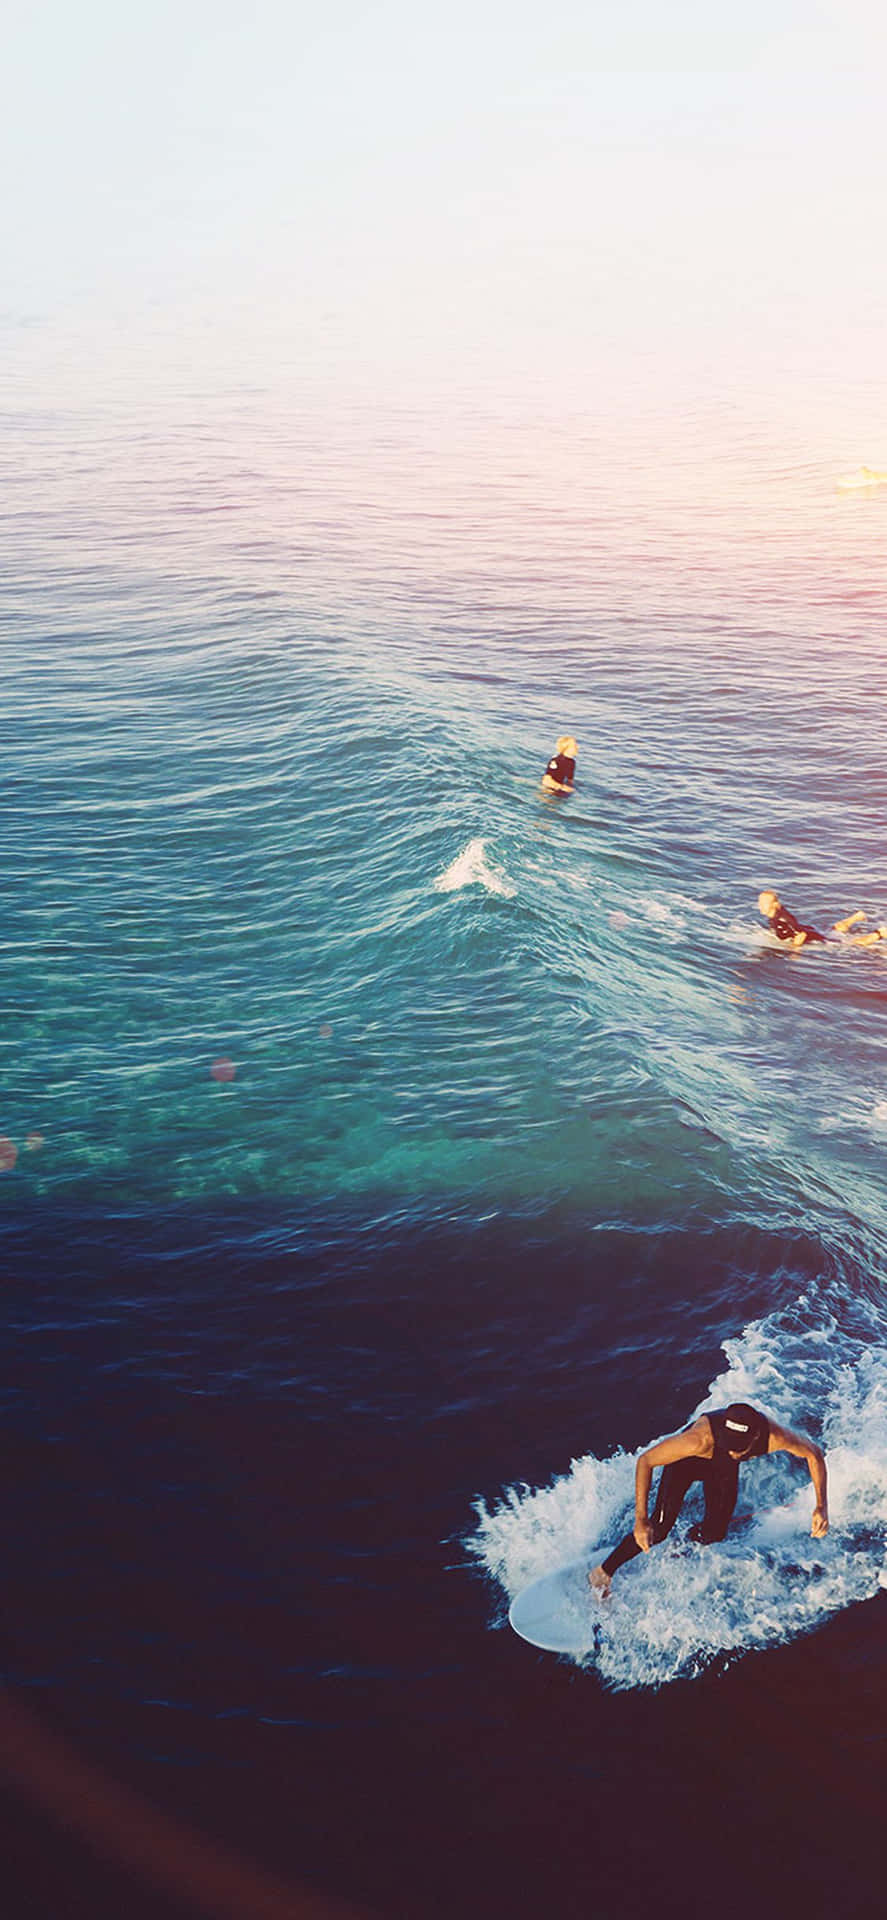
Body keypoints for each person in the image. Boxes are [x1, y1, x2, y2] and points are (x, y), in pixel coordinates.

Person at [588, 1401, 828, 1597]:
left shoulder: (774, 1436)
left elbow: (813, 1453)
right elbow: (646, 1461)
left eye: (738, 1449)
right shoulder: (698, 1439)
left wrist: (821, 1507)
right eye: (729, 1445)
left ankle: (680, 1548)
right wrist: (640, 1519)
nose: (732, 1451)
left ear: (755, 1439)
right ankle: (602, 1572)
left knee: (716, 1532)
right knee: (658, 1529)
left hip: (721, 1470)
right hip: (685, 1464)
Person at [757, 890, 887, 949]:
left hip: (812, 937)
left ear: (774, 905)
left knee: (853, 944)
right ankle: (856, 917)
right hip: (811, 931)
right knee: (833, 931)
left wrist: (794, 950)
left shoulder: (782, 918)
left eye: (763, 903)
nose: (760, 906)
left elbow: (801, 935)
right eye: (759, 902)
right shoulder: (775, 915)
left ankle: (880, 933)